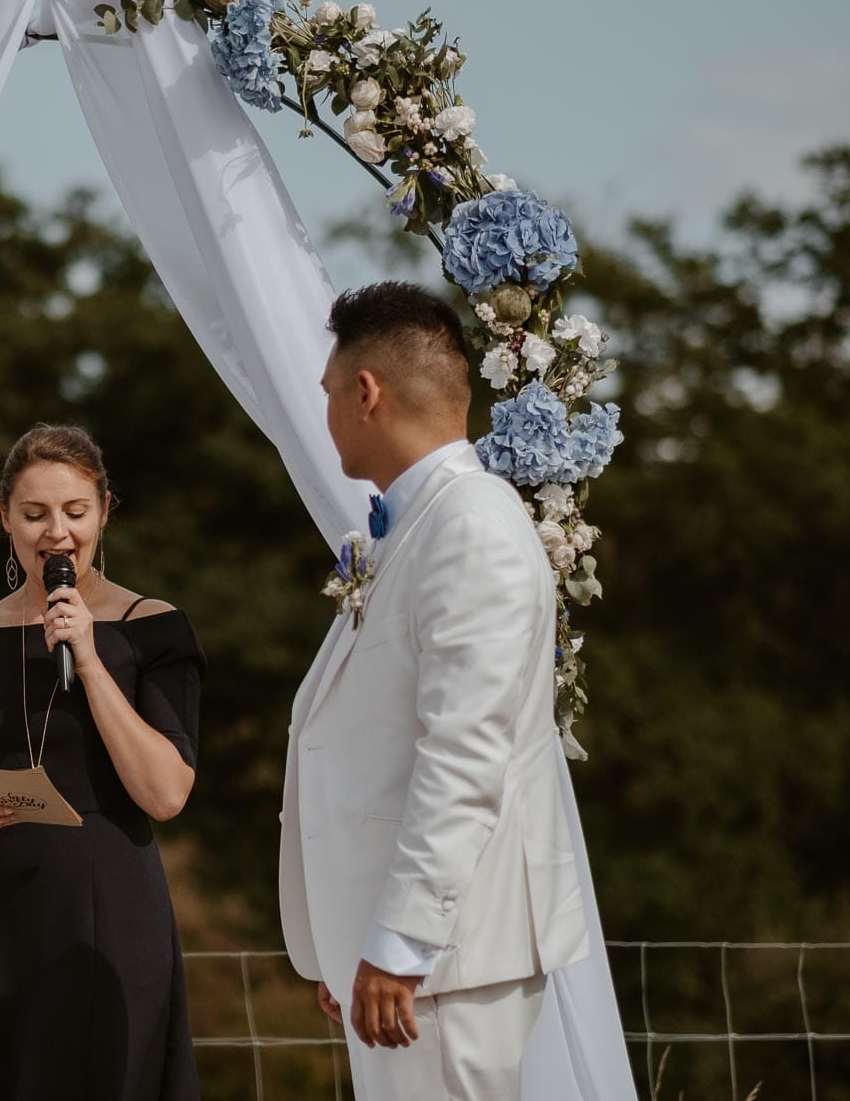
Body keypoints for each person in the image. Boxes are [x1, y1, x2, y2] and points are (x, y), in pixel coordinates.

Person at [280, 282, 591, 1100]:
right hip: (406, 961)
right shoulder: (415, 526)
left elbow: (463, 752)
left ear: (366, 392)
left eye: (327, 394)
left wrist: (400, 942)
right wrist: (349, 939)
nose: (328, 413)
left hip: (445, 958)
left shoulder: (471, 528)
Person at [0, 425, 202, 1101]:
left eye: (75, 512)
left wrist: (89, 660)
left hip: (107, 916)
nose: (55, 533)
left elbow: (167, 792)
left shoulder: (155, 627)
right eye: (34, 514)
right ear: (4, 517)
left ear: (104, 512)